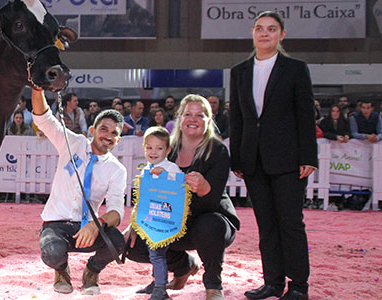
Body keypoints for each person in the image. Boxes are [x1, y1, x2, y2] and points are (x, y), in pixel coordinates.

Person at [230, 11, 317, 300]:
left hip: (289, 160)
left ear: (282, 34)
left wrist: (309, 156)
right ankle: (273, 282)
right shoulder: (239, 71)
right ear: (252, 33)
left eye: (271, 29)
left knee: (290, 223)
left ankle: (299, 286)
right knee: (266, 224)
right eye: (259, 28)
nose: (264, 33)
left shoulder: (295, 69)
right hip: (253, 160)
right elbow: (239, 119)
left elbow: (305, 116)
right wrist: (237, 157)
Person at [126, 94, 239, 300]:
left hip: (210, 221)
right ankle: (182, 267)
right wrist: (136, 221)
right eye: (188, 114)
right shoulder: (168, 149)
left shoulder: (218, 150)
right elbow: (151, 191)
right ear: (179, 118)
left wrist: (204, 188)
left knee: (209, 224)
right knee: (131, 243)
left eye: (200, 115)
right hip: (174, 223)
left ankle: (213, 285)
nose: (193, 119)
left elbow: (212, 202)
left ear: (209, 119)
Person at [32, 89, 127, 296]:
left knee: (117, 243)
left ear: (118, 140)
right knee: (52, 253)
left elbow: (116, 212)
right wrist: (37, 88)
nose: (108, 136)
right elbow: (43, 118)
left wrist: (97, 225)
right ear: (92, 130)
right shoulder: (72, 143)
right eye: (104, 129)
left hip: (88, 227)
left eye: (114, 133)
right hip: (57, 224)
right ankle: (61, 270)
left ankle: (92, 271)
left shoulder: (117, 170)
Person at [136, 126, 182, 300]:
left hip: (166, 221)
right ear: (144, 148)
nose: (153, 152)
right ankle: (157, 283)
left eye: (159, 148)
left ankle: (161, 288)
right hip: (151, 218)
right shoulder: (146, 169)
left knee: (157, 254)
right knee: (153, 253)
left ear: (168, 150)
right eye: (149, 147)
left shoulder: (171, 168)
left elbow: (179, 187)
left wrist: (165, 176)